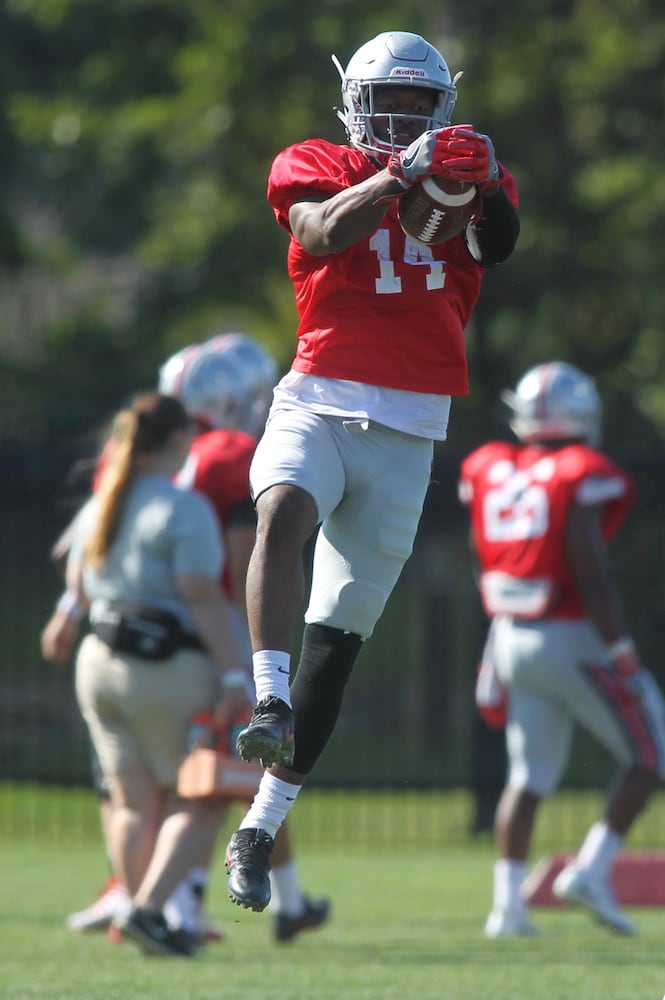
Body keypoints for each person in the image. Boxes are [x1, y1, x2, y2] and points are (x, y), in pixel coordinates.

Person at [224, 29, 520, 912]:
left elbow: (496, 248)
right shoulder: (312, 162)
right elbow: (318, 230)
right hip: (316, 394)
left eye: (417, 105)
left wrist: (477, 183)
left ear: (443, 107)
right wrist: (397, 175)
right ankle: (266, 701)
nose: (400, 117)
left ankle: (258, 829)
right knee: (282, 511)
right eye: (386, 102)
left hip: (411, 424)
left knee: (340, 640)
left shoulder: (467, 169)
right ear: (354, 103)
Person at [42, 335, 330, 945]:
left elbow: (79, 551)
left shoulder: (121, 464)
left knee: (136, 797)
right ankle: (171, 908)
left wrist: (69, 609)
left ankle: (163, 903)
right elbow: (233, 570)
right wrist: (242, 666)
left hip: (104, 646)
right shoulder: (229, 458)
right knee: (212, 786)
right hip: (190, 646)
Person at [458, 361, 665, 938]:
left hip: (511, 635)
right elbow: (588, 565)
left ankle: (507, 908)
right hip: (572, 635)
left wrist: (496, 631)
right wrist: (620, 648)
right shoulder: (580, 469)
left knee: (530, 775)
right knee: (654, 754)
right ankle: (592, 871)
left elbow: (481, 553)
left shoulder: (490, 466)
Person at [60, 391, 254, 956]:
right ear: (175, 440)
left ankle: (142, 911)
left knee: (131, 802)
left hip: (98, 663)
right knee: (202, 795)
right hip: (169, 663)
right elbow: (200, 593)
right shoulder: (183, 506)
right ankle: (148, 911)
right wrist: (234, 675)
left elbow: (76, 588)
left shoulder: (101, 504)